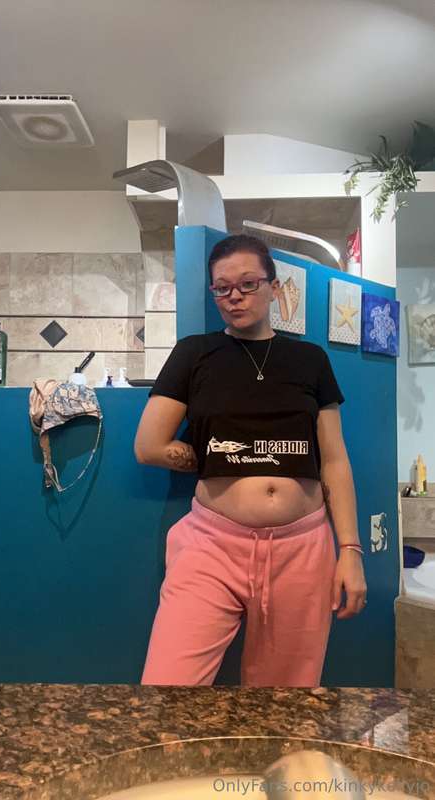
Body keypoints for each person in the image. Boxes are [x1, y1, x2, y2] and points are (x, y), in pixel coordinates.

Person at [135, 234, 367, 687]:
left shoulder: (310, 359)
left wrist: (351, 551)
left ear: (274, 288)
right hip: (212, 545)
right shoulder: (194, 353)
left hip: (302, 549)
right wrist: (216, 458)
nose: (234, 296)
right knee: (168, 690)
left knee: (284, 699)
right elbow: (148, 446)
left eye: (248, 284)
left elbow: (335, 461)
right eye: (222, 288)